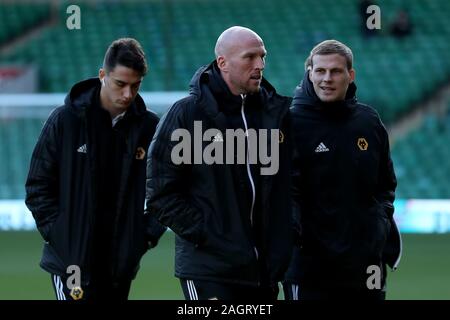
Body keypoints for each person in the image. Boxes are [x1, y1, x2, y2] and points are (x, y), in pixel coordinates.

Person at [145, 26, 294, 300]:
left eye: (263, 56)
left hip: (263, 271)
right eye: (250, 57)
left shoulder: (274, 114)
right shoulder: (188, 116)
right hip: (210, 270)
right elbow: (161, 192)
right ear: (223, 63)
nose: (260, 65)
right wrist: (210, 234)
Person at [25, 38, 166, 300]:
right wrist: (61, 235)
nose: (127, 94)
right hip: (72, 263)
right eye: (120, 84)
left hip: (119, 265)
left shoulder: (149, 128)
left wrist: (143, 237)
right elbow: (37, 185)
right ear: (103, 75)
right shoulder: (65, 121)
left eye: (135, 86)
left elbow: (167, 189)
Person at [283, 40, 402, 300]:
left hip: (366, 264)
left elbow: (385, 184)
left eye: (336, 71)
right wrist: (296, 236)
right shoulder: (289, 123)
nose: (327, 79)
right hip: (309, 267)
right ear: (309, 73)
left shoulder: (369, 121)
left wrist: (378, 225)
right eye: (320, 71)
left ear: (350, 75)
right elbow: (284, 192)